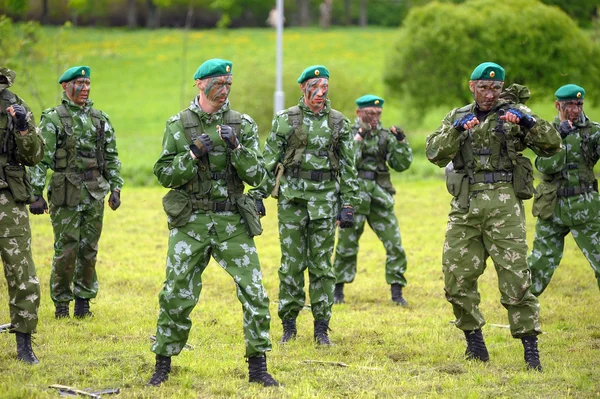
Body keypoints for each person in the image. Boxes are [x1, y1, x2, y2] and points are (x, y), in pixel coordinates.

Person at [147, 59, 278, 387]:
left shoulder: (243, 124)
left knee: (254, 291)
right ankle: (162, 364)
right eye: (218, 84)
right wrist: (191, 154)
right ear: (199, 84)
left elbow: (260, 176)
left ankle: (258, 368)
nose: (224, 90)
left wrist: (237, 148)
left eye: (228, 84)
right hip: (190, 221)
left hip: (232, 220)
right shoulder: (178, 125)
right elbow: (163, 173)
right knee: (176, 291)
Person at [425, 62, 562, 372]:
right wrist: (457, 131)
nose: (489, 93)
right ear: (472, 86)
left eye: (495, 87)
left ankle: (530, 349)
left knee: (515, 277)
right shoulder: (457, 116)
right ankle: (474, 341)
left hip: (504, 203)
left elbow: (553, 145)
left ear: (501, 88)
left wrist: (528, 123)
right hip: (465, 205)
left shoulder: (516, 115)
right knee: (456, 276)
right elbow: (434, 153)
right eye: (483, 87)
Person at [251, 65, 359, 345]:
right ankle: (289, 325)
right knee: (291, 265)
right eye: (315, 86)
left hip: (325, 201)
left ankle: (322, 327)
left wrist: (348, 204)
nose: (320, 92)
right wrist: (258, 196)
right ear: (303, 88)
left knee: (322, 266)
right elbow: (268, 160)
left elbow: (349, 167)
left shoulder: (338, 123)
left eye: (324, 86)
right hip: (293, 202)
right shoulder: (285, 120)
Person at [29, 66, 123, 319]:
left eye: (88, 83)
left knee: (89, 248)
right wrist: (35, 193)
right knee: (66, 248)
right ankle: (61, 304)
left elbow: (112, 157)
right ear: (65, 86)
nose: (85, 89)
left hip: (94, 193)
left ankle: (83, 303)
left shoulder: (100, 118)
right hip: (65, 193)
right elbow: (40, 158)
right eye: (79, 84)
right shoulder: (53, 118)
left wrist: (115, 187)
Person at [333, 94, 412, 306]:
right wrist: (360, 135)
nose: (374, 117)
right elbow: (347, 161)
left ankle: (397, 292)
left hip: (379, 198)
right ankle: (338, 289)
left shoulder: (386, 136)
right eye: (369, 113)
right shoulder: (348, 134)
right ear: (359, 113)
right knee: (346, 246)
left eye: (378, 113)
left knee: (395, 244)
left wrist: (402, 142)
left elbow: (401, 164)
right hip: (354, 198)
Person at [528, 84, 600, 295]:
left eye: (579, 104)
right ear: (558, 105)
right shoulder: (545, 132)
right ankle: (523, 316)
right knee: (538, 265)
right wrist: (559, 136)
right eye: (569, 105)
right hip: (553, 208)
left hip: (586, 206)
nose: (575, 110)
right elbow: (544, 166)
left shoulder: (594, 131)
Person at [0, 67, 45, 364]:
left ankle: (24, 343)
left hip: (8, 198)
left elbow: (35, 156)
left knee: (21, 270)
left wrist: (23, 129)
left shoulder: (16, 106)